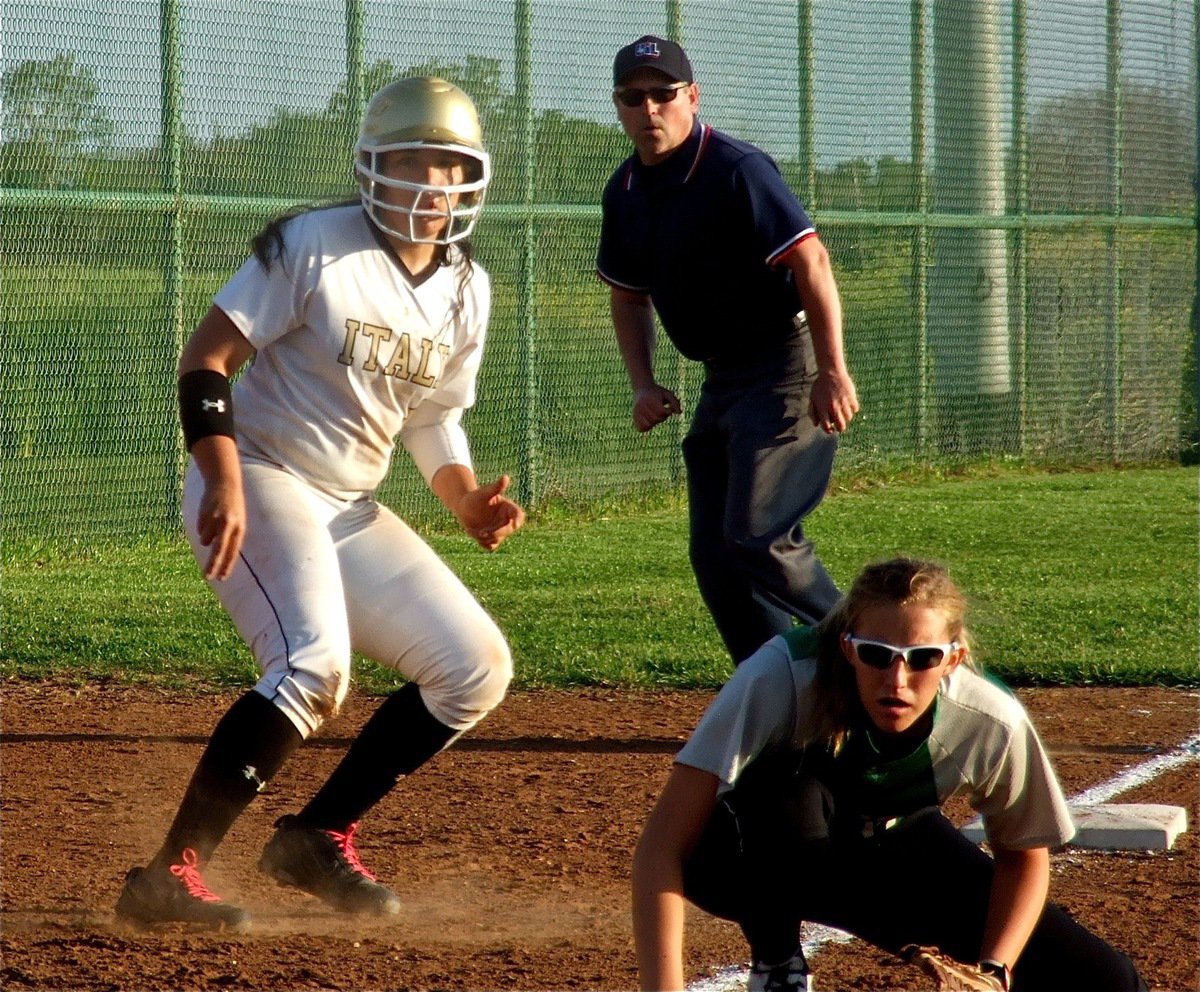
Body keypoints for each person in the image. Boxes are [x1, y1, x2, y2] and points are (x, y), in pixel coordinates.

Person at [115, 76, 524, 932]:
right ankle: (168, 876)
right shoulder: (316, 243)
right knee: (312, 666)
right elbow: (205, 360)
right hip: (259, 472)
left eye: (445, 166)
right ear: (373, 167)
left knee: (474, 667)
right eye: (409, 160)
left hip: (347, 502)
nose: (427, 182)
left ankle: (315, 836)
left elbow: (434, 416)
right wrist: (223, 476)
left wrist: (463, 501)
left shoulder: (466, 288)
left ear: (470, 179)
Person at [632, 557, 1148, 992]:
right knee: (781, 794)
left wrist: (994, 971)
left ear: (953, 660)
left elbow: (1022, 859)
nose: (896, 679)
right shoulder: (781, 677)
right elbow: (665, 844)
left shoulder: (990, 719)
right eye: (876, 656)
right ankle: (777, 959)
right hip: (765, 854)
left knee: (1108, 980)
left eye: (922, 658)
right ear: (847, 648)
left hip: (896, 848)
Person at [596, 36, 860, 665]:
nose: (650, 108)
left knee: (759, 537)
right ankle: (780, 688)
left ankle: (882, 649)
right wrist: (642, 381)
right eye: (635, 97)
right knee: (716, 555)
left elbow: (811, 260)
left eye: (665, 94)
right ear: (618, 106)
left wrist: (831, 371)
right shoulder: (626, 189)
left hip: (784, 367)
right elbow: (628, 296)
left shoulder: (736, 169)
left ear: (693, 97)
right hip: (722, 378)